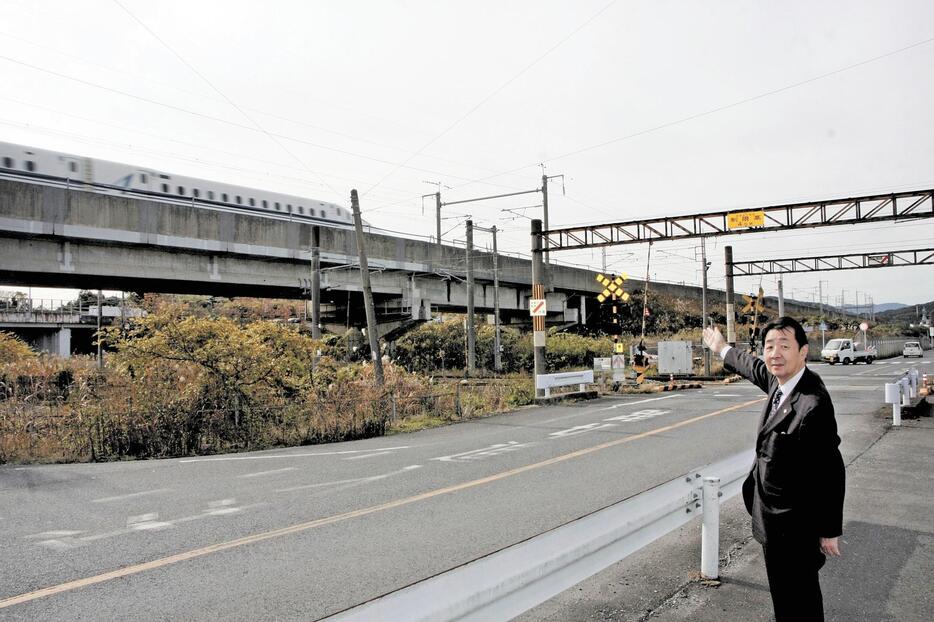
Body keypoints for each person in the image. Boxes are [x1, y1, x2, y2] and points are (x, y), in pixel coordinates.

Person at [703, 317, 845, 622]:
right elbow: (751, 366)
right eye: (769, 346)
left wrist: (829, 529)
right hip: (773, 521)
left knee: (800, 602)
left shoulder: (812, 403)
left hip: (794, 527)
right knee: (786, 600)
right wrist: (721, 348)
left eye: (784, 345)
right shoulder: (781, 382)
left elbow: (831, 469)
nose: (774, 353)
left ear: (803, 351)